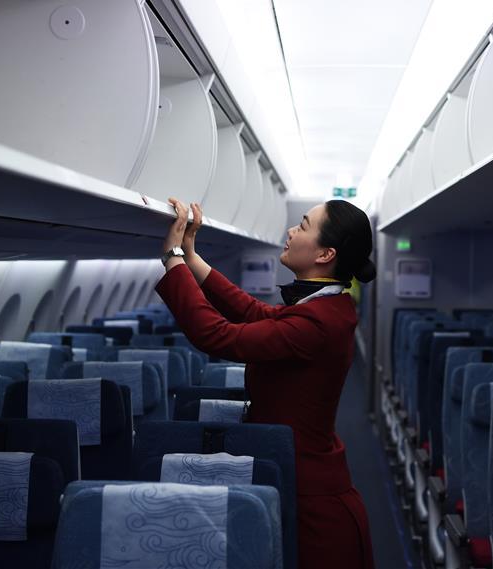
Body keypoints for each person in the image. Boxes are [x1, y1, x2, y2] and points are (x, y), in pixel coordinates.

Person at [155, 197, 376, 569]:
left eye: (302, 226)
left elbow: (218, 335)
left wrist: (172, 259)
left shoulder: (320, 322)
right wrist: (191, 257)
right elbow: (253, 311)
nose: (291, 230)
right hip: (295, 475)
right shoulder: (325, 307)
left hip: (312, 502)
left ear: (325, 255)